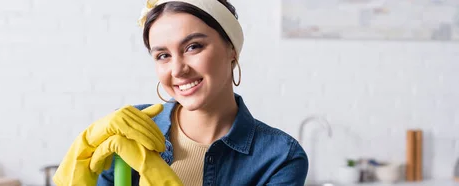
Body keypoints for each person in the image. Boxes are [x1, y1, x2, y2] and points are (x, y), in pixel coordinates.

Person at [53, 0, 309, 185]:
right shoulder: (128, 130)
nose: (178, 69)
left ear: (232, 49)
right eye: (163, 55)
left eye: (193, 47)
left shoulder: (279, 158)